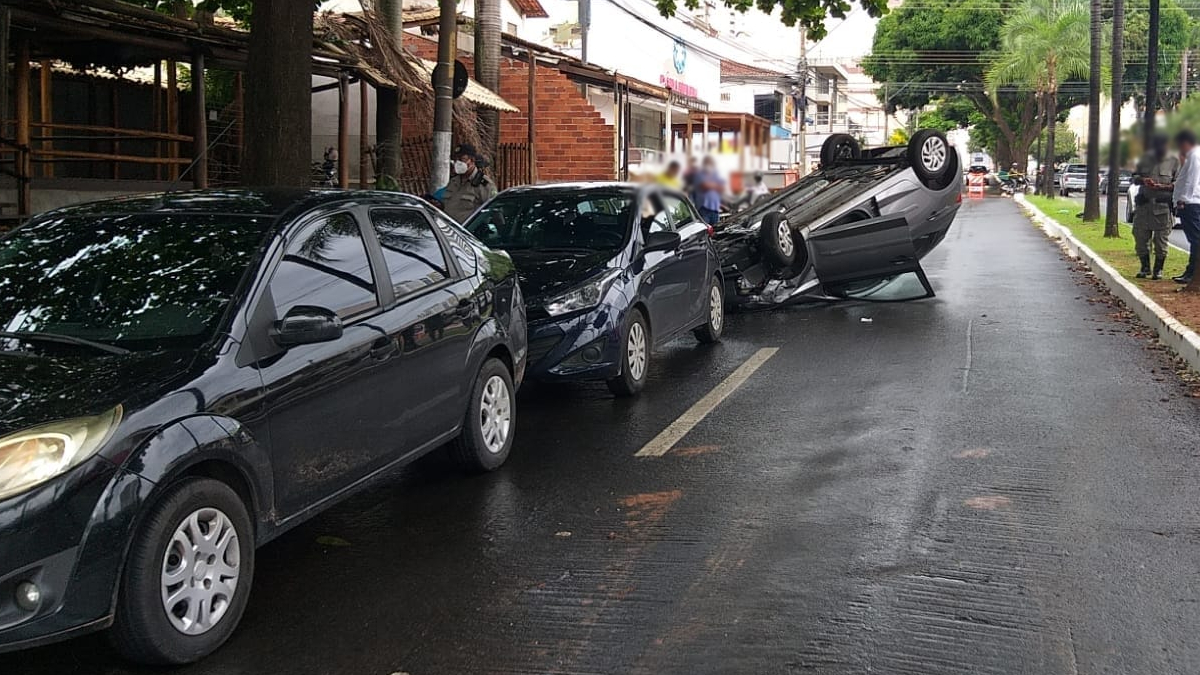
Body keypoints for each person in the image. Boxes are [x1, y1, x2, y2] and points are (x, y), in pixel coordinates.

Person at [1131, 132, 1180, 280]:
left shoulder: (1174, 161)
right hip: (1144, 206)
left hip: (1162, 207)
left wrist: (1163, 187)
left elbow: (1179, 183)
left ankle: (1158, 269)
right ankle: (1144, 267)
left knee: (1160, 242)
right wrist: (1143, 180)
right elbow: (1133, 177)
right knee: (1140, 238)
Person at [442, 143, 497, 223]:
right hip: (448, 231)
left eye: (462, 159)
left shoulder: (484, 184)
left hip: (468, 232)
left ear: (472, 160)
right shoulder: (453, 182)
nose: (458, 162)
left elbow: (495, 212)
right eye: (456, 159)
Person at [1173, 130, 1200, 284]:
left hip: (1191, 203)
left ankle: (1192, 272)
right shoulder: (1193, 156)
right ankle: (1190, 271)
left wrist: (1183, 199)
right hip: (1191, 202)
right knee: (1194, 239)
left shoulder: (1195, 156)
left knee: (1195, 239)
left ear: (1185, 143)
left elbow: (1191, 181)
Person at [694, 157, 725, 225]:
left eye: (711, 163)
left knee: (716, 232)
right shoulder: (699, 174)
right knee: (706, 232)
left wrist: (713, 185)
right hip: (704, 210)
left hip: (715, 210)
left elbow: (722, 188)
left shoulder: (716, 174)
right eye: (707, 163)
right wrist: (716, 185)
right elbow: (704, 186)